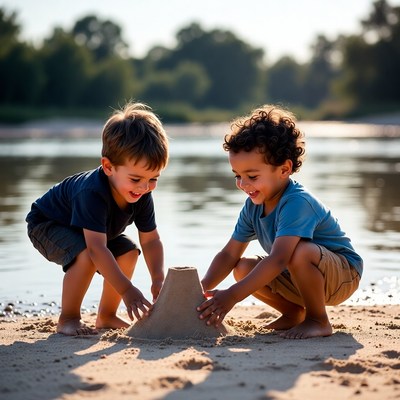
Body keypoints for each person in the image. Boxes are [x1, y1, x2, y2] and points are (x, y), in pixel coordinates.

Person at [197, 105, 363, 339]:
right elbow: (229, 254)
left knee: (300, 251)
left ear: (284, 169)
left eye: (252, 176)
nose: (243, 185)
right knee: (243, 267)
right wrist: (199, 290)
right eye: (237, 176)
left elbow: (279, 258)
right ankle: (294, 313)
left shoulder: (297, 202)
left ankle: (318, 319)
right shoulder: (253, 206)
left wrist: (232, 296)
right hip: (299, 275)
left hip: (343, 276)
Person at [26, 102, 169, 336]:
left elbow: (151, 240)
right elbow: (96, 249)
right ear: (108, 166)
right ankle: (69, 318)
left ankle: (106, 316)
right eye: (136, 179)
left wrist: (158, 278)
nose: (145, 187)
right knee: (86, 255)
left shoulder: (142, 193)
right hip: (48, 224)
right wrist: (127, 290)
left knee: (128, 252)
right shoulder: (91, 192)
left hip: (93, 232)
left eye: (153, 179)